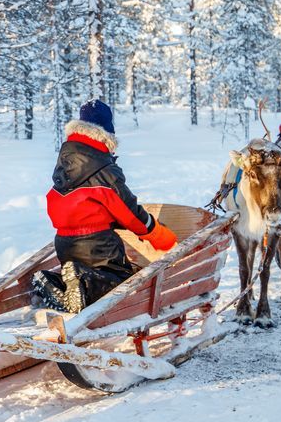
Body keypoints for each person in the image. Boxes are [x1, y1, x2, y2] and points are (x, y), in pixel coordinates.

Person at [32, 99, 177, 314]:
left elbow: (76, 204)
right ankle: (81, 280)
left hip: (64, 243)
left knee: (82, 285)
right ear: (107, 132)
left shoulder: (66, 161)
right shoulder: (103, 168)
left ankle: (52, 281)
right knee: (121, 283)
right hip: (98, 245)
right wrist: (156, 234)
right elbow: (129, 212)